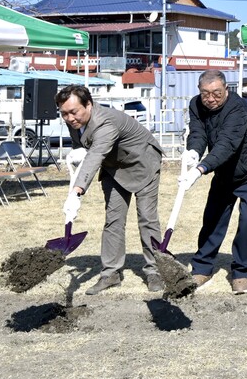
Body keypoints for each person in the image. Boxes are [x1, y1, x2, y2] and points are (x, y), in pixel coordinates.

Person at [56, 85, 165, 296]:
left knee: (147, 217)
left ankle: (155, 271)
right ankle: (111, 273)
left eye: (73, 112)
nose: (69, 118)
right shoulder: (75, 121)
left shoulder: (105, 122)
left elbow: (96, 154)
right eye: (64, 113)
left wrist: (77, 192)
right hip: (114, 168)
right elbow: (87, 147)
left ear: (88, 104)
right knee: (113, 220)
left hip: (142, 163)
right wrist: (77, 152)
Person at [179, 69, 247, 295]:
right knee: (213, 218)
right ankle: (202, 268)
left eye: (216, 93)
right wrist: (193, 151)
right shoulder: (196, 105)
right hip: (224, 173)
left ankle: (241, 271)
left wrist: (200, 169)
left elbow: (226, 145)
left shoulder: (238, 110)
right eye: (205, 93)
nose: (210, 99)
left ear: (226, 90)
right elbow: (199, 132)